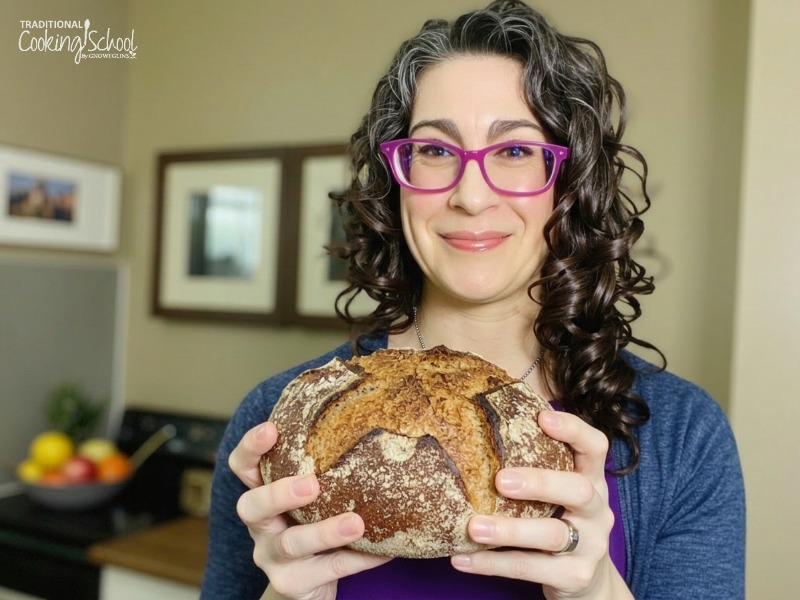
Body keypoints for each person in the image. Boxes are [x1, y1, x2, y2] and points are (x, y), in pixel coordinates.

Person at [201, 1, 745, 598]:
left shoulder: (683, 434)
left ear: (570, 184)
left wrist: (596, 593)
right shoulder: (276, 423)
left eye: (514, 151)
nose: (470, 194)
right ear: (395, 182)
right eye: (435, 151)